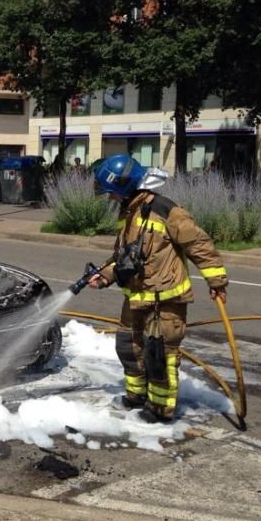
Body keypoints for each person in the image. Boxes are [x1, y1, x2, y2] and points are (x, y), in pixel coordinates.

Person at [87, 154, 228, 423]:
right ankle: (136, 396)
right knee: (128, 347)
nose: (110, 199)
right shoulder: (129, 212)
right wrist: (105, 276)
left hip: (165, 300)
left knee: (159, 356)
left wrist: (217, 281)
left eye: (112, 193)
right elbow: (124, 255)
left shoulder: (168, 212)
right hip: (136, 298)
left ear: (126, 187)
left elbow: (200, 246)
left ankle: (160, 410)